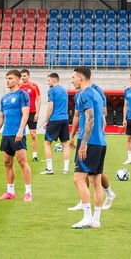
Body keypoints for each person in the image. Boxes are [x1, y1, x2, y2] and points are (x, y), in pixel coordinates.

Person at [69, 66, 107, 229]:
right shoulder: (96, 93)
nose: (72, 80)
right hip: (100, 142)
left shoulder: (86, 94)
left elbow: (90, 119)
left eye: (73, 77)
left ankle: (87, 217)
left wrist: (83, 143)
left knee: (78, 179)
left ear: (80, 77)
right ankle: (96, 220)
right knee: (96, 180)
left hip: (89, 142)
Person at [0, 69, 33, 201]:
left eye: (11, 78)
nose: (8, 81)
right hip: (6, 135)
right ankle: (10, 192)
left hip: (17, 134)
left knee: (22, 162)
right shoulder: (4, 98)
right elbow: (1, 117)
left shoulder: (22, 95)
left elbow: (26, 113)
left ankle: (28, 192)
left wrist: (21, 130)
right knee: (7, 163)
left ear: (18, 80)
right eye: (7, 79)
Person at [40, 72, 71, 175]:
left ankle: (49, 169)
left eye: (48, 80)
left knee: (47, 143)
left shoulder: (51, 91)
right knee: (65, 144)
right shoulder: (64, 91)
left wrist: (46, 121)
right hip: (65, 118)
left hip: (55, 119)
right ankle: (66, 169)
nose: (47, 82)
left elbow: (50, 107)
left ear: (54, 80)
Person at [19, 68, 43, 162]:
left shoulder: (34, 86)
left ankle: (34, 155)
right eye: (22, 76)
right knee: (20, 133)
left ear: (28, 76)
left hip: (32, 113)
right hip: (22, 113)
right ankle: (21, 152)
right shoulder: (19, 86)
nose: (23, 78)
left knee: (33, 134)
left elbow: (38, 99)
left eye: (24, 76)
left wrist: (37, 112)